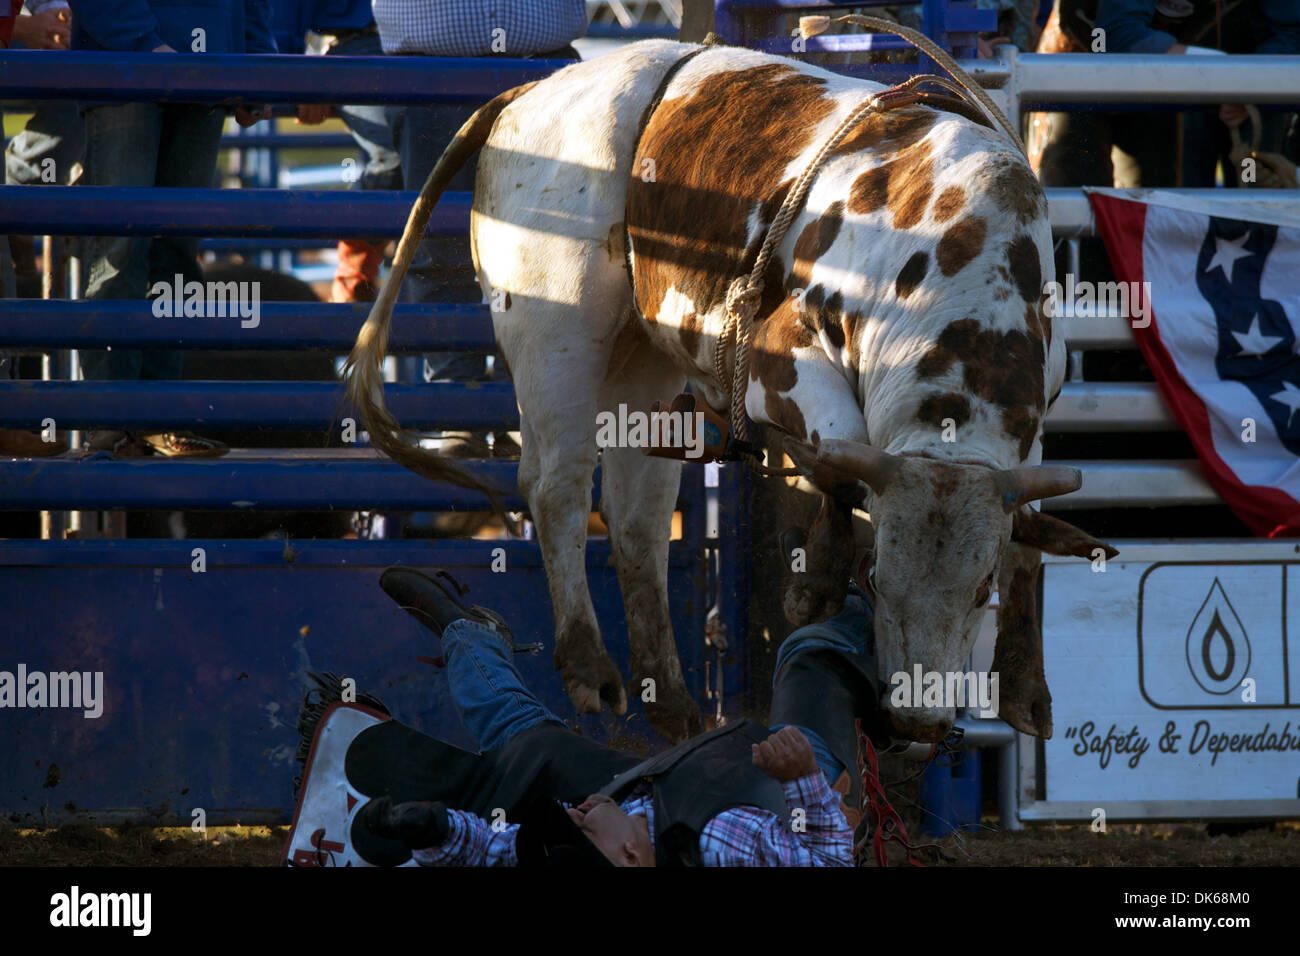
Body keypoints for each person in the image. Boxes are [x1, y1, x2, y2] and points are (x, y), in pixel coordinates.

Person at [297, 565, 887, 867]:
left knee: (526, 742)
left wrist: (434, 829)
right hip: (783, 775)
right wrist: (805, 775)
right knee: (810, 659)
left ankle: (469, 635)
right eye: (582, 826)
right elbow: (828, 860)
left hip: (672, 780)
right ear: (629, 857)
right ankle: (875, 596)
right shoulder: (723, 846)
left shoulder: (595, 851)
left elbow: (497, 849)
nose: (574, 815)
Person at [65, 0, 277, 459]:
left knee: (171, 249)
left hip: (193, 75)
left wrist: (255, 61)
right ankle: (112, 419)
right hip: (133, 73)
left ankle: (152, 416)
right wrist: (147, 46)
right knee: (124, 248)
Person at [271, 0, 401, 303]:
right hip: (362, 44)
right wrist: (293, 70)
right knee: (392, 156)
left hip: (437, 44)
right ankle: (356, 274)